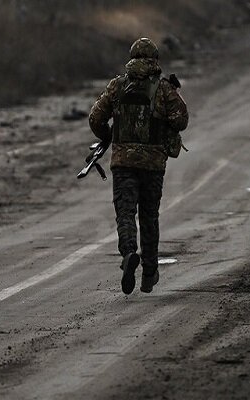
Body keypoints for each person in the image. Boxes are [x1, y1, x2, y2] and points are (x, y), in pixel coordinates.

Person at [89, 38, 189, 294]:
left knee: (125, 212)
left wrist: (108, 135)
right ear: (155, 60)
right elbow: (181, 121)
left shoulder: (118, 85)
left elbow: (95, 118)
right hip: (153, 165)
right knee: (149, 216)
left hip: (123, 163)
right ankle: (149, 272)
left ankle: (129, 253)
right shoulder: (165, 89)